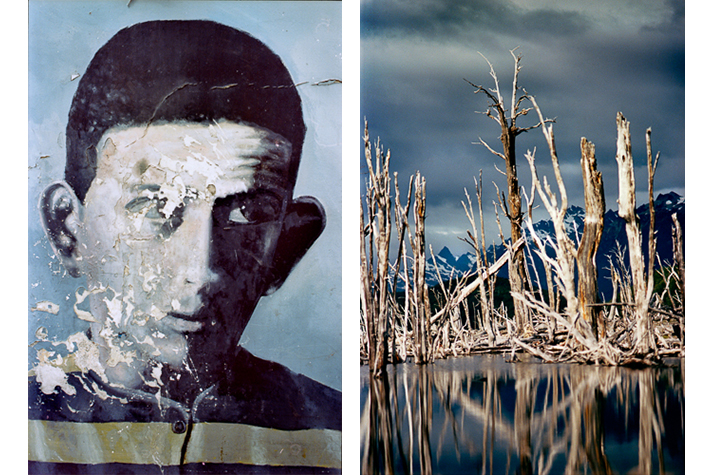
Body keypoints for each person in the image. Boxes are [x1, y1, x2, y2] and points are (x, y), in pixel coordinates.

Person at [28, 20, 341, 474]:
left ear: (287, 249)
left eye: (247, 213)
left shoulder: (336, 432)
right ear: (69, 230)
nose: (201, 268)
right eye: (153, 206)